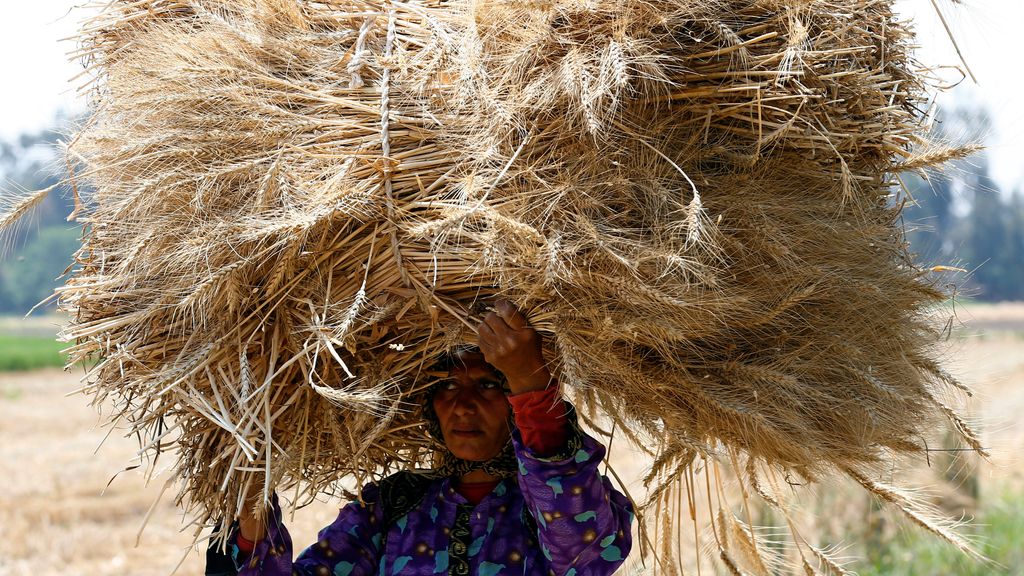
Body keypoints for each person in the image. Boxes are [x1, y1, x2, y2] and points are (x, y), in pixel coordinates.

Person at [207, 300, 633, 575]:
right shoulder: (392, 505)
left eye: (488, 386)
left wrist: (528, 377)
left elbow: (584, 556)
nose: (463, 406)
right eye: (447, 387)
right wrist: (251, 522)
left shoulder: (555, 506)